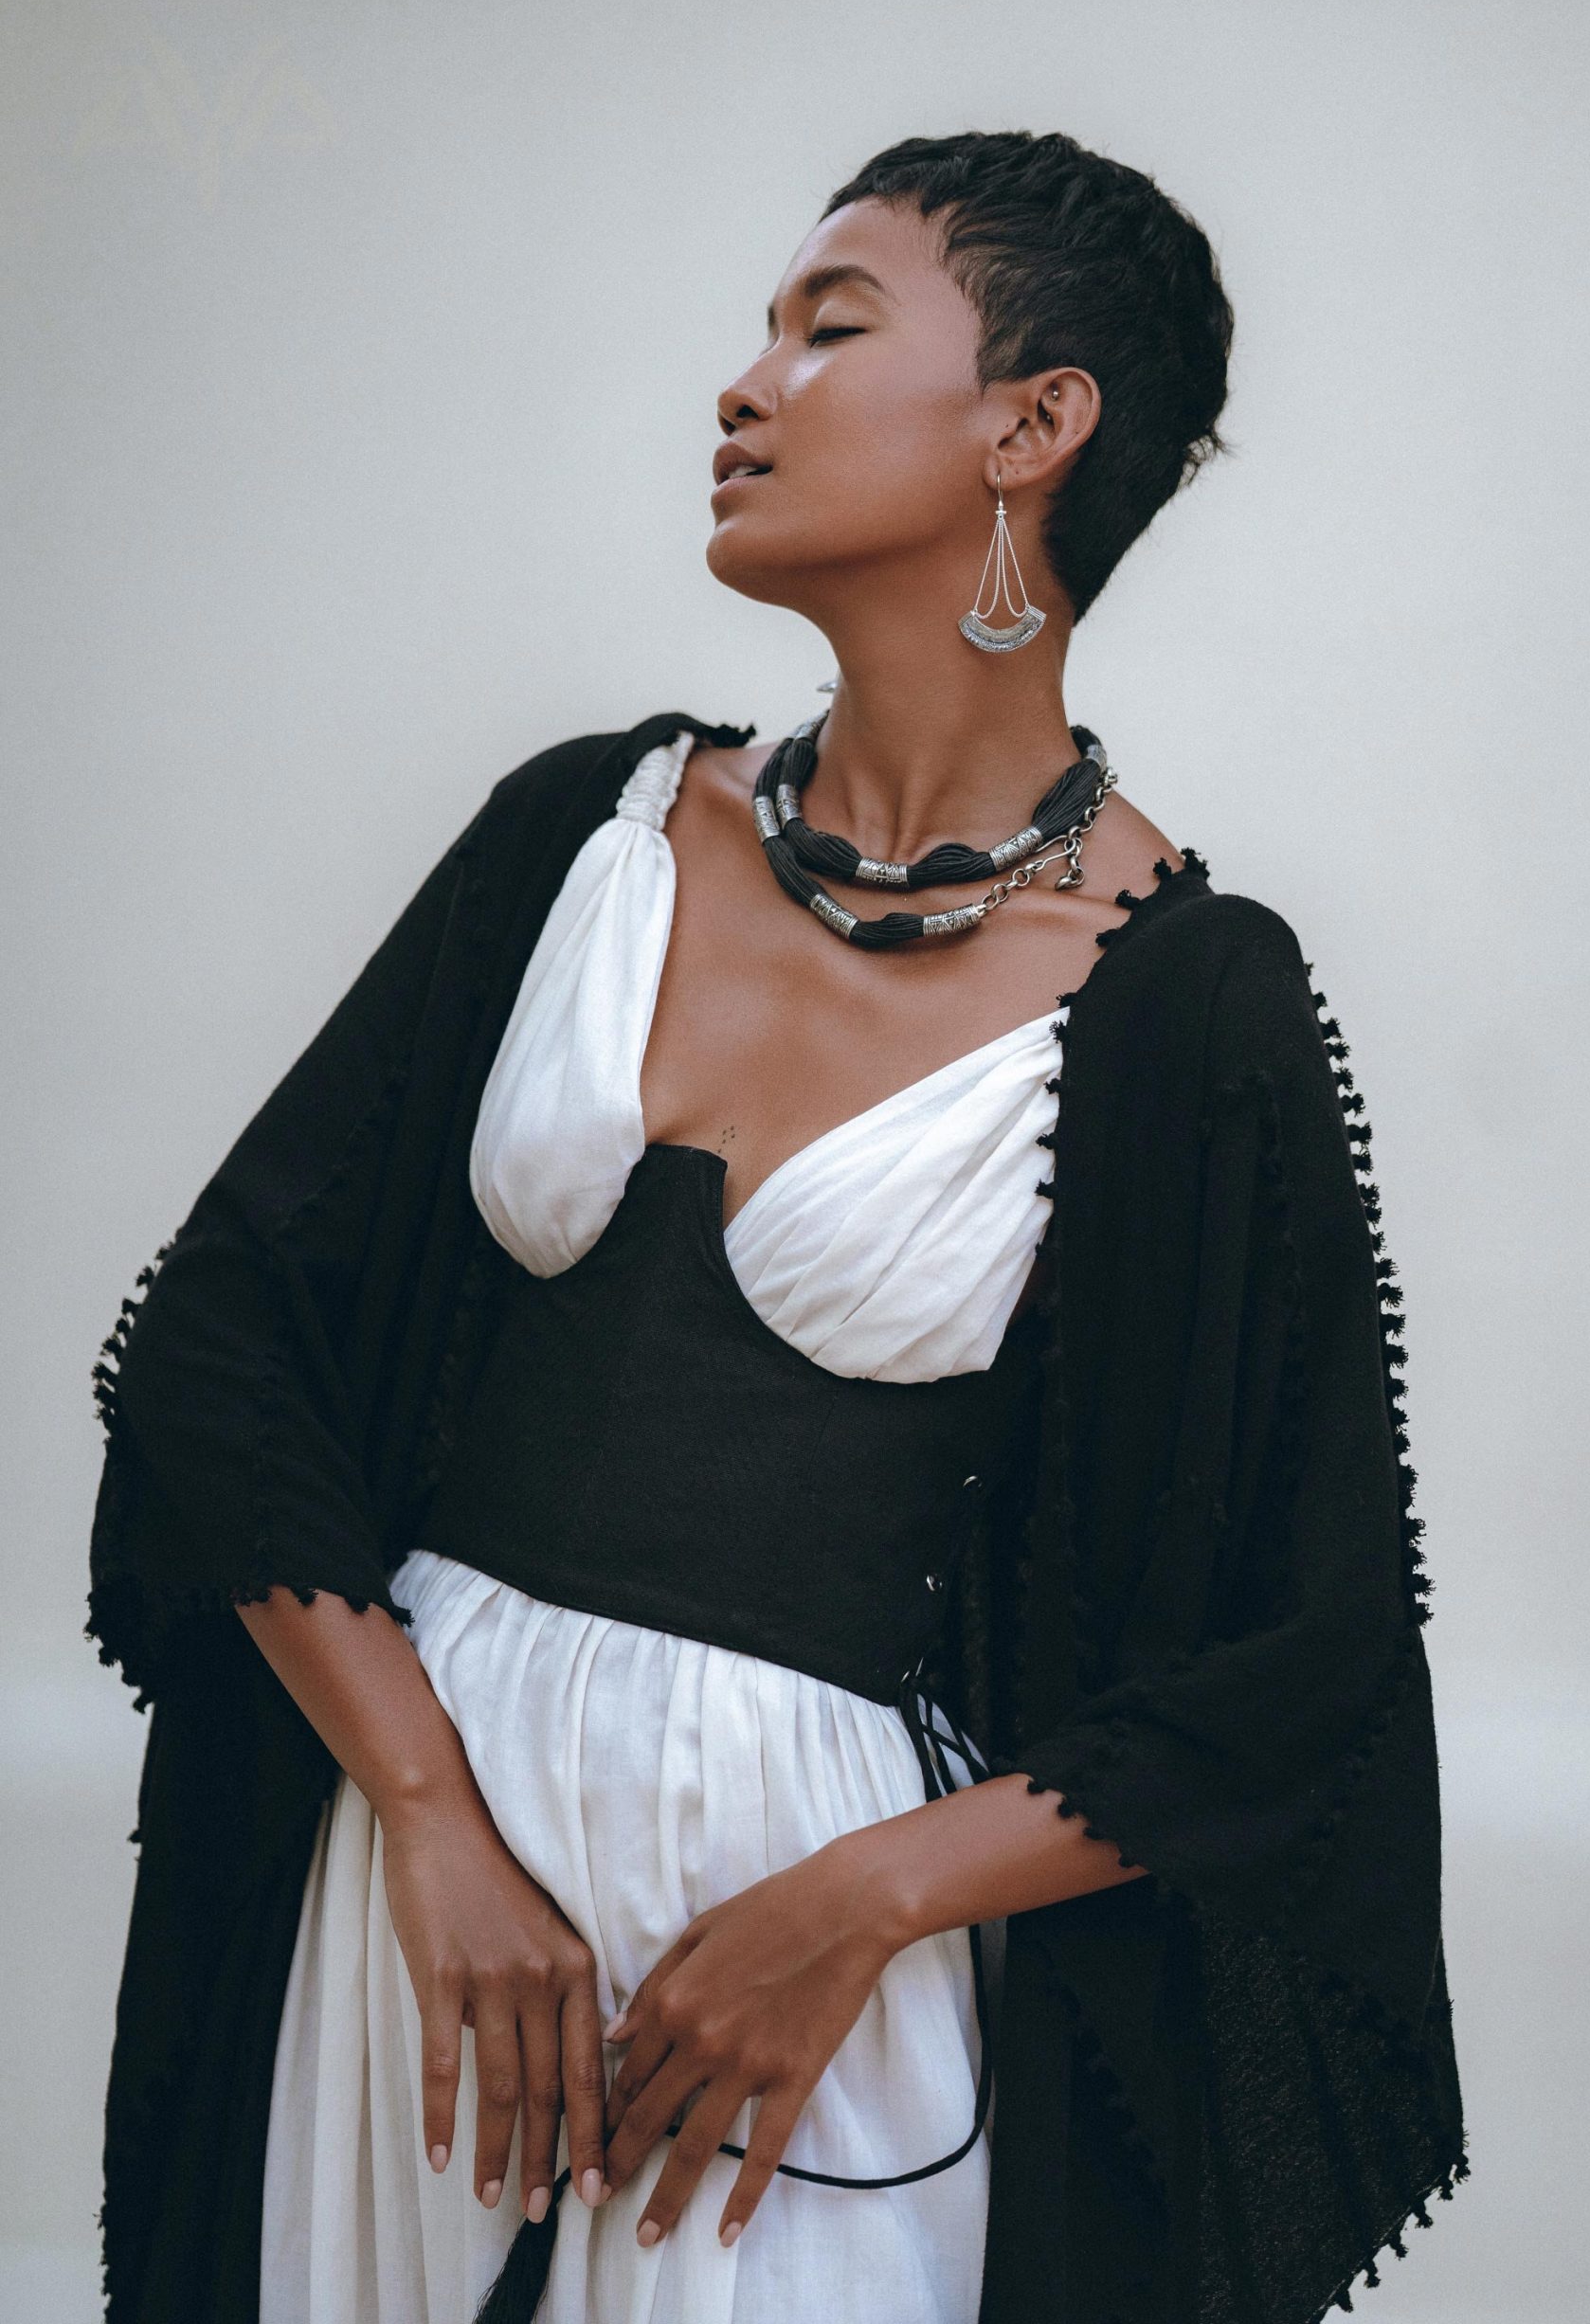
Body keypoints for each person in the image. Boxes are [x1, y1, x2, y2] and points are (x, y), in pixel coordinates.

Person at [86, 131, 1466, 2324]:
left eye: (829, 325)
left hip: (807, 2007)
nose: (744, 385)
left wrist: (865, 1899)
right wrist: (426, 1815)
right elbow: (223, 1346)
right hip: (414, 1919)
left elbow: (1301, 1666)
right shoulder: (584, 831)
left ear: (1030, 422)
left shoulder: (1186, 1005)